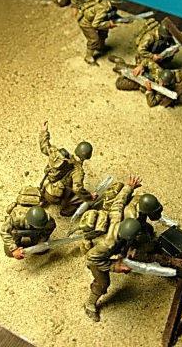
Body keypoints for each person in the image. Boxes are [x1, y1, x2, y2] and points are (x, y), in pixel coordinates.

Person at [84, 176, 153, 321]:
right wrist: (115, 266)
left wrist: (129, 187)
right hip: (96, 257)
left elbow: (119, 202)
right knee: (103, 283)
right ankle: (89, 305)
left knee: (146, 234)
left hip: (116, 243)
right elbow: (91, 258)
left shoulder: (119, 216)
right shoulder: (107, 244)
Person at [39, 120, 96, 216]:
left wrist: (44, 132)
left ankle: (42, 200)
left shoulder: (59, 156)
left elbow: (45, 147)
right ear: (87, 157)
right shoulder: (78, 171)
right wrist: (89, 196)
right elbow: (77, 189)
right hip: (55, 197)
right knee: (80, 198)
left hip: (44, 187)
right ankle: (66, 211)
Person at [76, 0, 124, 65]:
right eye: (119, 3)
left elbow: (111, 15)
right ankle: (88, 57)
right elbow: (95, 25)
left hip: (96, 20)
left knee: (104, 31)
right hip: (86, 23)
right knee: (94, 39)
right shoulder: (103, 9)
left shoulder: (111, 7)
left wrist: (122, 19)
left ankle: (100, 47)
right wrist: (109, 24)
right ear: (115, 3)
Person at [115, 59, 181, 107]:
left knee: (119, 84)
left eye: (164, 84)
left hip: (139, 83)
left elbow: (152, 103)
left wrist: (149, 90)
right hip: (141, 72)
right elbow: (147, 61)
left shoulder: (163, 90)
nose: (162, 84)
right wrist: (141, 66)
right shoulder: (158, 69)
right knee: (118, 66)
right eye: (161, 81)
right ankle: (119, 61)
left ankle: (123, 74)